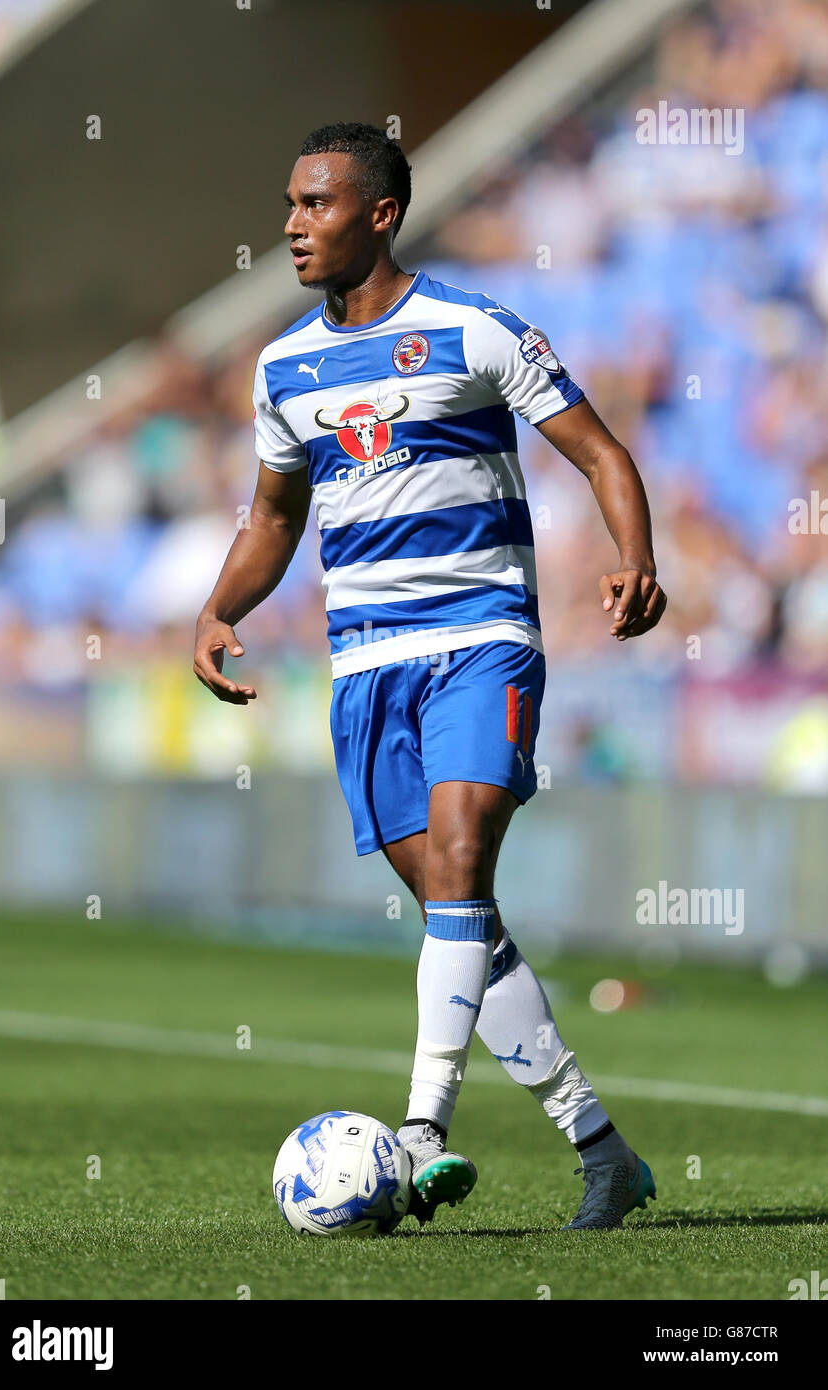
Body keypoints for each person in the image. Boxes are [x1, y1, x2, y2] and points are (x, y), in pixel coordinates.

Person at [193, 122, 667, 1230]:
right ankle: (602, 1152)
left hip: (479, 640)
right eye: (290, 203)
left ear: (380, 212)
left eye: (314, 205)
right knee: (460, 913)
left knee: (457, 866)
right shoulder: (283, 366)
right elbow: (272, 515)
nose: (291, 226)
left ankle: (416, 1135)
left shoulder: (473, 329)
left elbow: (600, 452)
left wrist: (634, 561)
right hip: (364, 670)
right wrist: (220, 610)